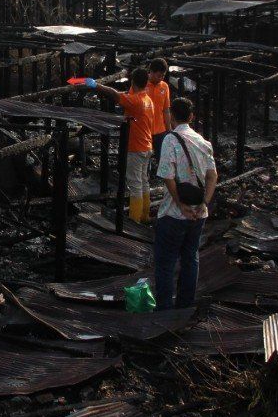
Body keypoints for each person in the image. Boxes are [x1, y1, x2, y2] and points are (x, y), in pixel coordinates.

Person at [154, 97, 217, 309]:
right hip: (198, 214)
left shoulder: (170, 140)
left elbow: (167, 175)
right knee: (191, 258)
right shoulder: (204, 142)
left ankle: (164, 310)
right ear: (191, 117)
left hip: (173, 213)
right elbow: (212, 176)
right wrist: (204, 203)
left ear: (171, 116)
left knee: (166, 263)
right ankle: (185, 306)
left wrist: (180, 204)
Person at [76, 69, 157, 224]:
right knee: (143, 182)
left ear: (133, 82)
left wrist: (96, 85)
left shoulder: (135, 101)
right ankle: (144, 216)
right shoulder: (147, 100)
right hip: (147, 146)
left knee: (134, 185)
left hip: (136, 147)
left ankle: (135, 221)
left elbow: (114, 94)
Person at [145, 57, 172, 160]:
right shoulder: (141, 84)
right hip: (145, 129)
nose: (161, 78)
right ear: (151, 72)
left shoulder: (164, 86)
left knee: (163, 159)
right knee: (145, 159)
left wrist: (169, 129)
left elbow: (166, 109)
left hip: (161, 130)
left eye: (163, 76)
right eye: (158, 76)